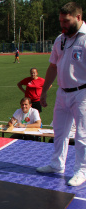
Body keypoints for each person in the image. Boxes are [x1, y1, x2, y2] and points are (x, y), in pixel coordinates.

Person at [37, 2, 86, 186]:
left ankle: (82, 170)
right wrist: (44, 91)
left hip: (82, 93)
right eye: (60, 21)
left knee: (82, 134)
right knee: (59, 131)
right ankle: (57, 164)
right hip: (62, 92)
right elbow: (52, 66)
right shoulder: (61, 39)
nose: (62, 25)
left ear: (78, 17)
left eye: (66, 21)